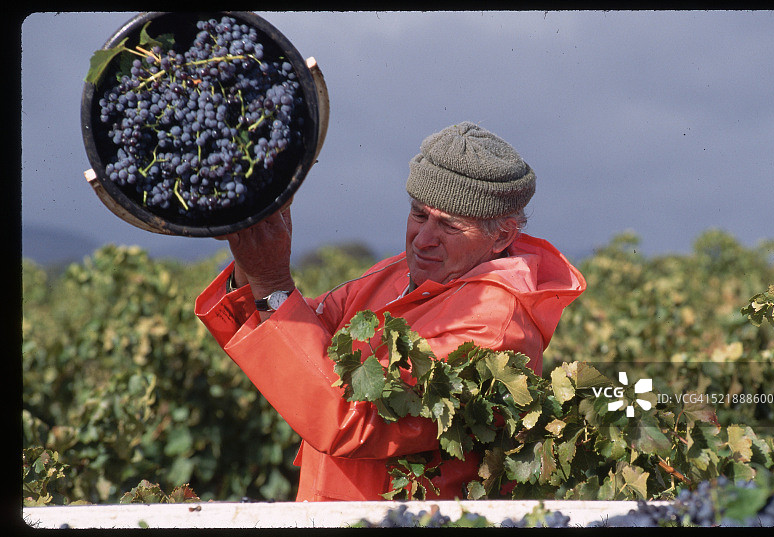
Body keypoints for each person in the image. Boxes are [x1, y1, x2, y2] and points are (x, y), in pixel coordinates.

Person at [195, 121, 586, 501]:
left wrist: (271, 281)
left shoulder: (495, 326)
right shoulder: (398, 273)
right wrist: (253, 248)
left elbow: (352, 421)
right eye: (419, 214)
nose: (423, 240)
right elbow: (294, 339)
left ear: (501, 236)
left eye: (449, 226)